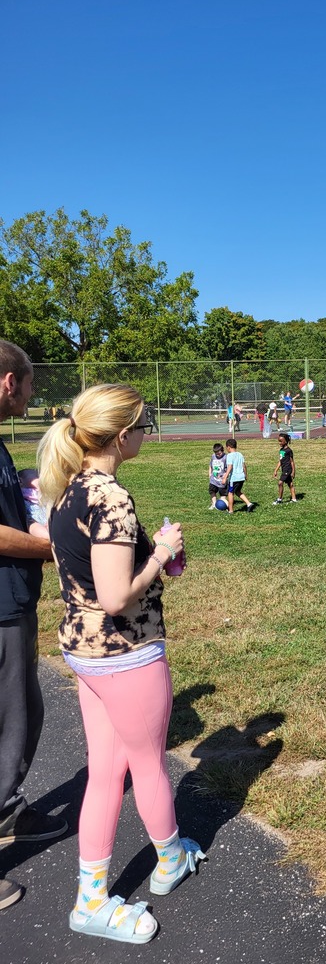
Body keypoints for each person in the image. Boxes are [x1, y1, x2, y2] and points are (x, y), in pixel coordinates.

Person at [37, 383, 205, 944]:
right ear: (122, 433)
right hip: (126, 653)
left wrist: (149, 554)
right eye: (145, 424)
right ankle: (168, 861)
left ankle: (93, 893)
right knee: (147, 764)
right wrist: (159, 552)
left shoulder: (65, 489)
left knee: (106, 773)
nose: (147, 433)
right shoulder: (110, 496)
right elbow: (115, 596)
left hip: (85, 653)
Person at [0, 342, 64, 914]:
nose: (31, 394)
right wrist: (47, 547)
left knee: (23, 712)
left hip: (10, 602)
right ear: (6, 383)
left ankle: (5, 813)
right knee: (12, 717)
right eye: (28, 384)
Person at [223, 438, 255, 513]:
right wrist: (245, 475)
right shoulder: (240, 454)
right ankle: (249, 503)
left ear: (228, 447)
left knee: (230, 493)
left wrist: (225, 477)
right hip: (241, 477)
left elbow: (230, 466)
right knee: (237, 491)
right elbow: (244, 466)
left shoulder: (229, 456)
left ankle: (230, 510)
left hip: (234, 478)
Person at [272, 433, 297, 505]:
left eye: (281, 441)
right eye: (279, 441)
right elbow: (280, 461)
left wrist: (293, 471)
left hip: (287, 469)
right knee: (290, 484)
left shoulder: (289, 451)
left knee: (280, 483)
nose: (279, 442)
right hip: (284, 469)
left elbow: (292, 461)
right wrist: (276, 470)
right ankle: (294, 499)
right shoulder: (281, 450)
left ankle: (279, 499)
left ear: (285, 441)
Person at [207, 443, 228, 508]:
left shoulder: (226, 457)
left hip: (222, 480)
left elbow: (228, 468)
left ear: (223, 450)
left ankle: (223, 505)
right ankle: (214, 503)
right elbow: (210, 465)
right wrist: (210, 474)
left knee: (223, 493)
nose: (218, 455)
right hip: (213, 479)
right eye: (217, 454)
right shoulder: (213, 456)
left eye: (219, 453)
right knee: (212, 491)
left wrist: (226, 475)